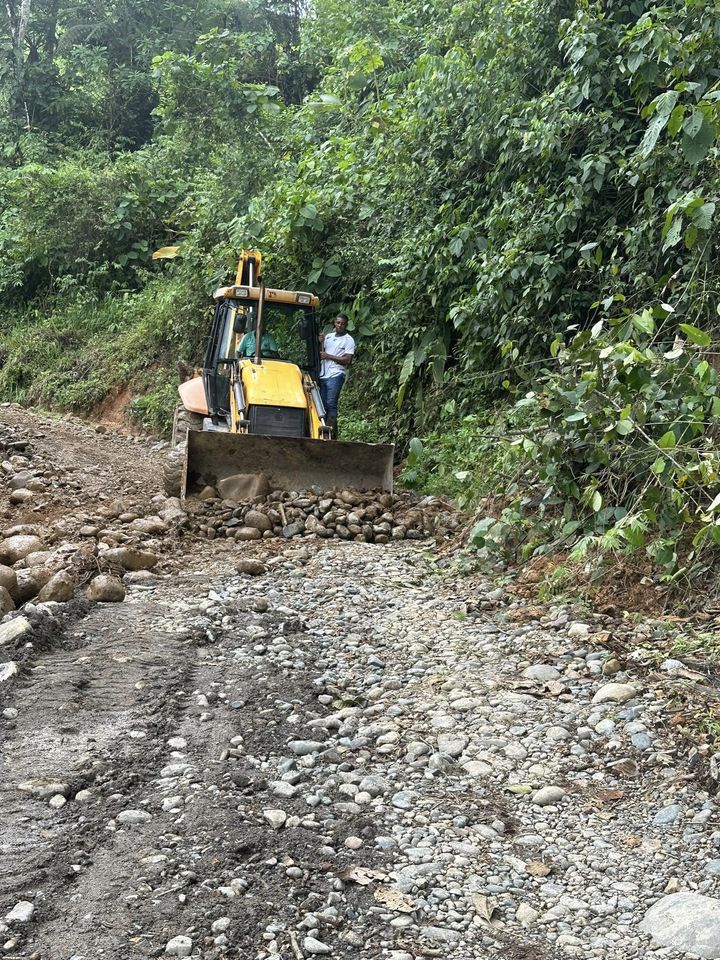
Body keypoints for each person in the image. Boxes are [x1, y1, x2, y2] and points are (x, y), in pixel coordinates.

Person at [319, 313, 355, 436]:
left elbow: (348, 360)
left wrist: (328, 356)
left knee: (331, 404)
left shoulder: (348, 340)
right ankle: (327, 433)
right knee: (322, 405)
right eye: (338, 323)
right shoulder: (328, 337)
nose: (340, 325)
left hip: (336, 375)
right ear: (335, 323)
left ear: (346, 325)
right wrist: (320, 342)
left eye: (342, 324)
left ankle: (329, 434)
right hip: (324, 374)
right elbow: (321, 352)